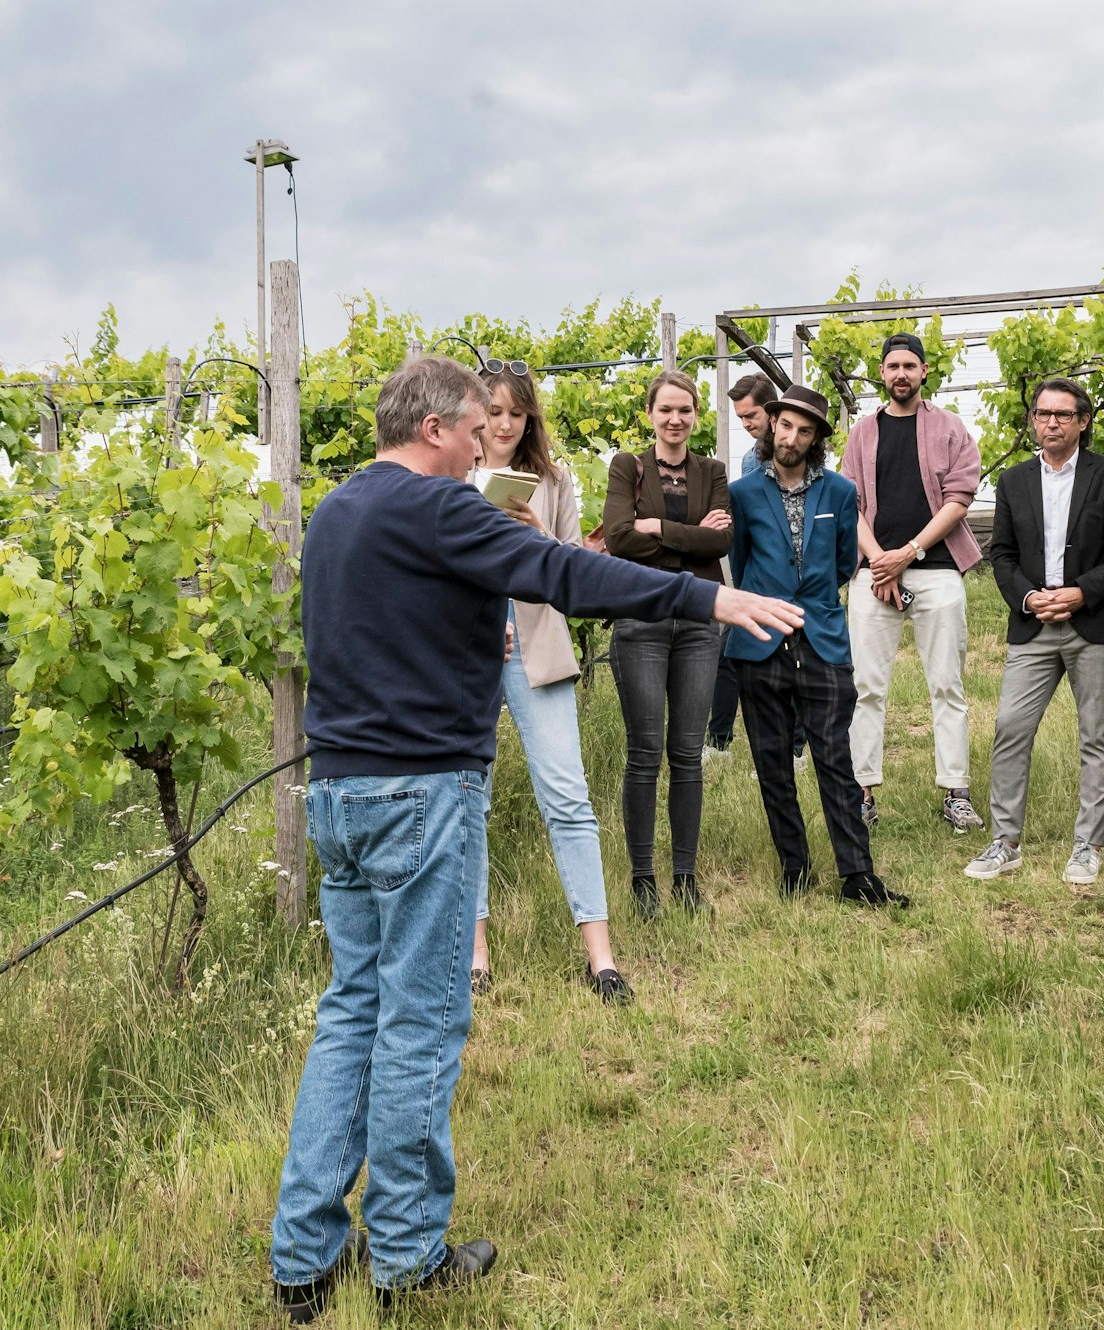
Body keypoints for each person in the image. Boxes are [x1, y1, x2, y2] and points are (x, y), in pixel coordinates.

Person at [271, 356, 801, 1319]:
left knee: (352, 1011)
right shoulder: (441, 506)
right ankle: (406, 1258)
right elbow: (566, 572)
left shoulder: (338, 511)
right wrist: (708, 597)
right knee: (421, 1021)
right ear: (433, 428)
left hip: (338, 792)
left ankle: (303, 1258)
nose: (484, 450)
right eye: (475, 432)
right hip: (421, 792)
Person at [469, 361, 631, 1004]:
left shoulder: (553, 480)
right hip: (468, 653)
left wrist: (539, 540)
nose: (505, 425)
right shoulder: (450, 472)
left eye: (517, 413)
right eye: (494, 412)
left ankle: (602, 960)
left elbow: (571, 573)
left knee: (568, 796)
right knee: (469, 800)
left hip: (536, 645)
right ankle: (476, 955)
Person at [726, 385, 908, 907]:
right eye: (786, 426)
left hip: (823, 640)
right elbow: (740, 563)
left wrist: (813, 604)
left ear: (815, 440)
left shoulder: (841, 492)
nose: (791, 438)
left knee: (835, 759)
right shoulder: (741, 493)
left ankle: (858, 875)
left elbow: (845, 560)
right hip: (760, 639)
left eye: (804, 431)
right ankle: (794, 868)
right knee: (772, 763)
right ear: (773, 425)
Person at [964, 377, 1104, 886]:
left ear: (1082, 422)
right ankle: (1005, 842)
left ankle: (1087, 846)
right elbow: (1001, 554)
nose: (1051, 423)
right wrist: (1028, 597)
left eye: (1063, 415)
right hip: (1034, 623)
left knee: (1097, 736)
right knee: (1010, 727)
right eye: (1043, 414)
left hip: (1096, 624)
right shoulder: (1014, 481)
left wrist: (1082, 592)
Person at [841, 331, 984, 834]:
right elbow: (849, 504)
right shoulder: (861, 433)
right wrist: (880, 561)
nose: (901, 373)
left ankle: (956, 792)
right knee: (864, 687)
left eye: (909, 365)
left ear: (924, 371)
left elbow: (959, 499)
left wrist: (907, 553)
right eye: (892, 366)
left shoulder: (950, 427)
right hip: (873, 576)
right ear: (881, 373)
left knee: (946, 684)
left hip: (937, 570)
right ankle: (861, 793)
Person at [601, 369, 730, 918]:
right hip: (642, 620)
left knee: (687, 754)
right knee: (645, 753)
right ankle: (643, 880)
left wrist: (654, 528)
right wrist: (687, 539)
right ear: (650, 414)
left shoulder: (712, 471)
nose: (675, 419)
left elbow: (722, 540)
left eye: (685, 410)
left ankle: (685, 878)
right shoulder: (627, 467)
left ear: (696, 415)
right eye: (666, 410)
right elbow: (616, 537)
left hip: (699, 623)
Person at [707, 373, 778, 756]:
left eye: (751, 415)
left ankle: (797, 748)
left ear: (770, 410)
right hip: (755, 572)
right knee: (729, 653)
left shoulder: (798, 452)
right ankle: (718, 742)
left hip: (788, 575)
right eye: (741, 418)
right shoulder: (751, 459)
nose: (747, 424)